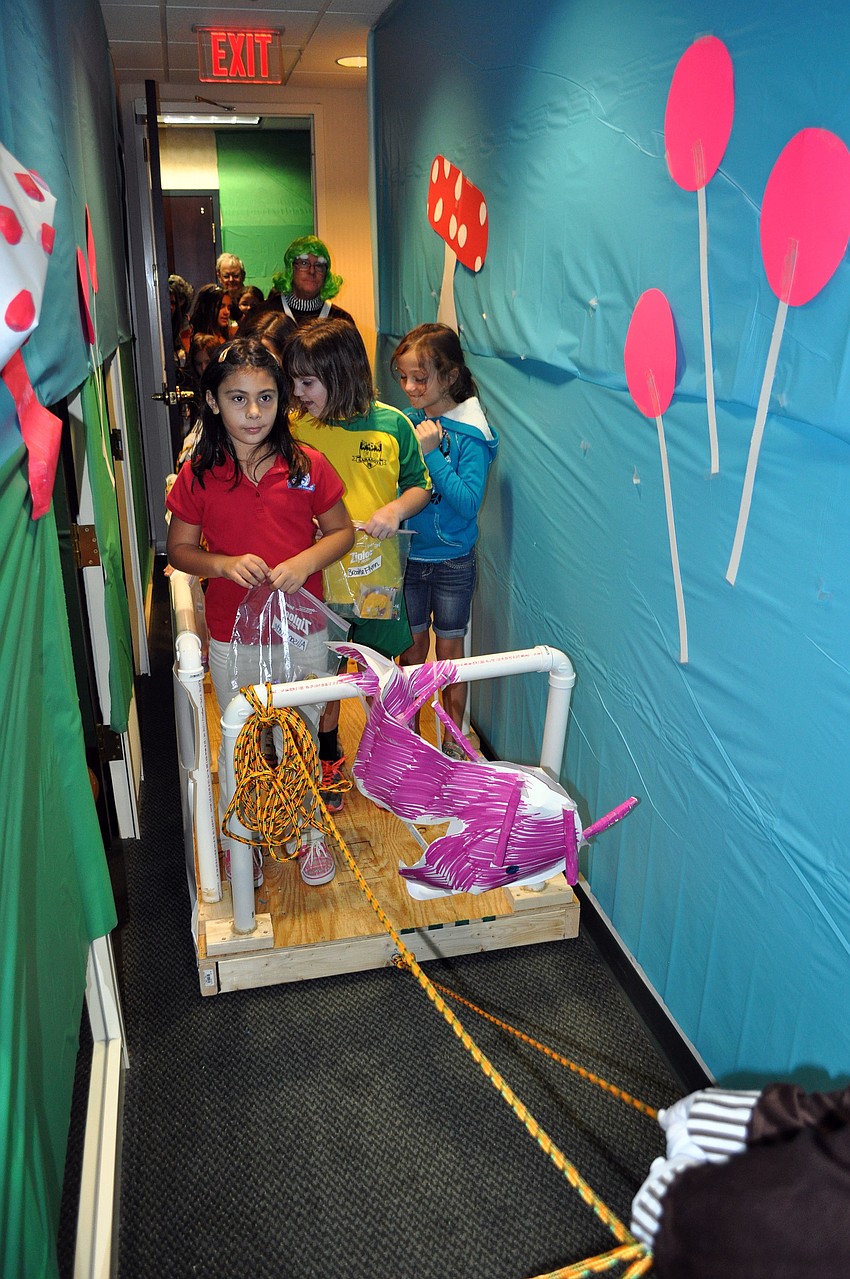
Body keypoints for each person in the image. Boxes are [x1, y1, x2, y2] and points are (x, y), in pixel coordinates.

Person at [165, 338, 355, 887]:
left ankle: (308, 828)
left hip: (302, 629)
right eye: (238, 399)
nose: (253, 413)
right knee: (241, 734)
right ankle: (240, 837)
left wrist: (304, 560)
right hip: (232, 631)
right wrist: (220, 565)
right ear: (212, 401)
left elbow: (342, 531)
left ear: (282, 401)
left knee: (299, 730)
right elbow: (179, 550)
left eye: (266, 398)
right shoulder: (201, 474)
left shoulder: (308, 465)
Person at [280, 318, 431, 811]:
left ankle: (393, 758)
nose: (297, 394)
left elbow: (419, 484)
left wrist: (395, 509)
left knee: (383, 676)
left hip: (376, 580)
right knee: (324, 676)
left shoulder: (393, 424)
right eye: (294, 382)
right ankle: (328, 754)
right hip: (318, 579)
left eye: (307, 382)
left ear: (340, 373)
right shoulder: (295, 428)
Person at [391, 324, 498, 753]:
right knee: (412, 652)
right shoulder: (406, 424)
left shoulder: (472, 433)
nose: (409, 387)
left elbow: (468, 502)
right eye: (403, 377)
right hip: (409, 558)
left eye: (420, 377)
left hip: (453, 560)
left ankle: (453, 743)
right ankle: (411, 743)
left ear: (450, 376)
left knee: (450, 656)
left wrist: (434, 454)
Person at [271, 235, 355, 327]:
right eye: (304, 263)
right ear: (291, 268)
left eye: (319, 265)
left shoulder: (342, 321)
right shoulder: (264, 315)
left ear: (326, 274)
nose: (312, 271)